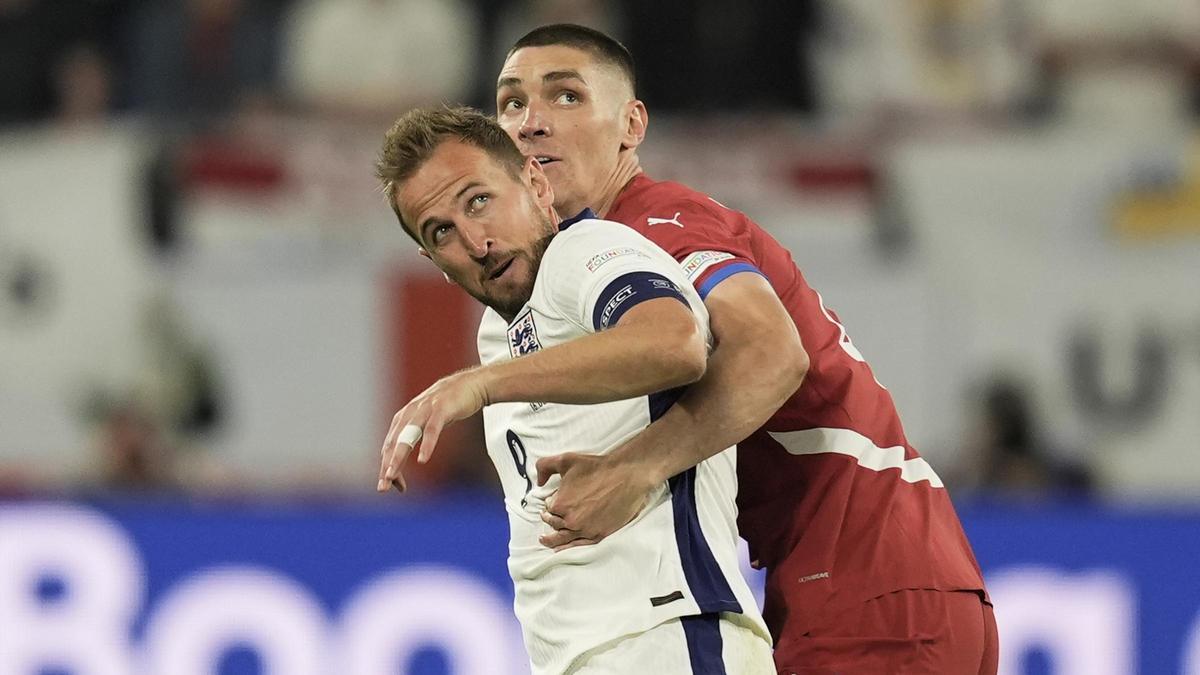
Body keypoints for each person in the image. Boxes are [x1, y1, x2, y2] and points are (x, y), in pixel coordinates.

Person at [493, 24, 998, 674]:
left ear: (631, 125)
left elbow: (771, 355)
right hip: (872, 581)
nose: (531, 122)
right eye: (511, 103)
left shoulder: (656, 228)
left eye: (565, 97)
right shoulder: (599, 257)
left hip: (868, 587)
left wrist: (633, 468)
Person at [374, 106, 774, 675]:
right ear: (431, 259)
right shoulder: (502, 330)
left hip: (665, 636)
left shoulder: (582, 251)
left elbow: (674, 339)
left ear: (536, 184)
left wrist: (478, 386)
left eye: (479, 200)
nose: (475, 241)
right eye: (442, 231)